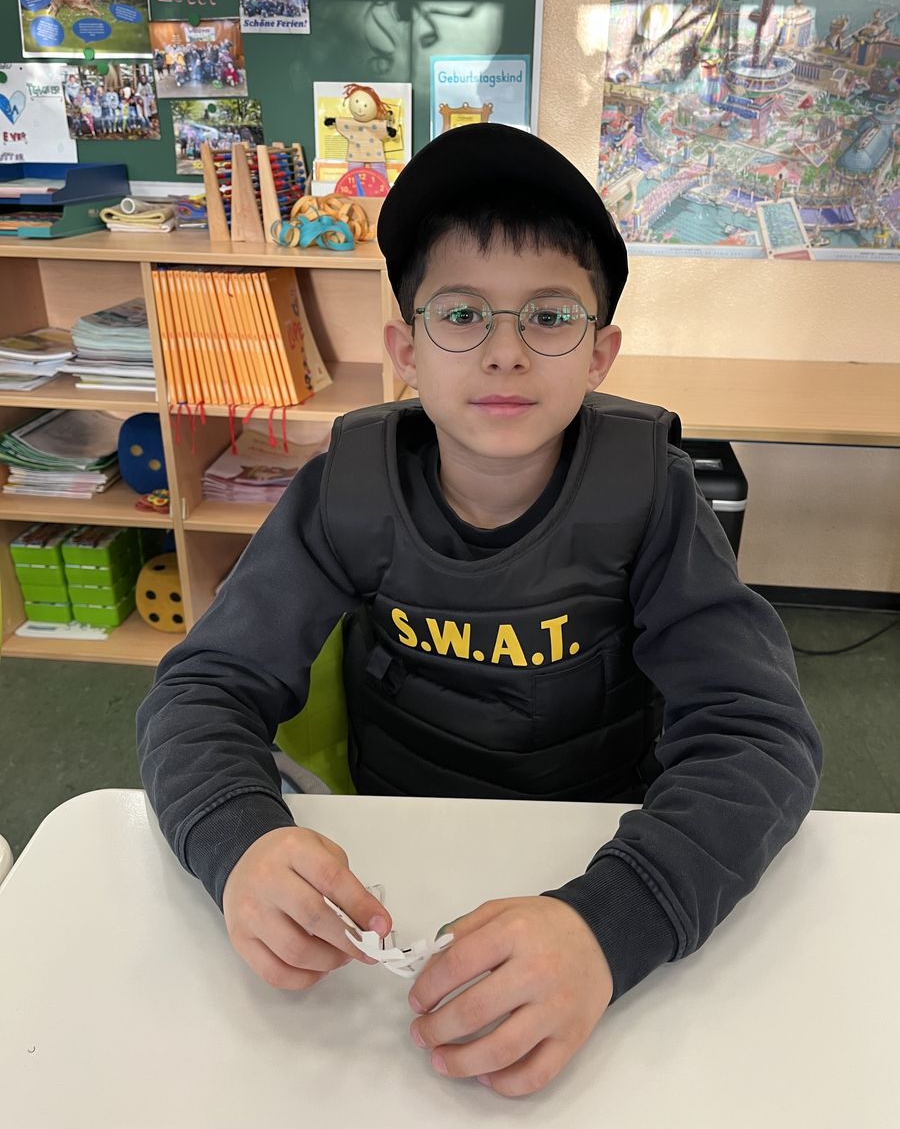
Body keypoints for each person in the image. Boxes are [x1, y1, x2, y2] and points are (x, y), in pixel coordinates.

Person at [136, 124, 822, 1098]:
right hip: (395, 859)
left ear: (601, 353)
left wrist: (613, 923)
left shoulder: (652, 496)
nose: (505, 353)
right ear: (406, 349)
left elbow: (759, 735)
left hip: (601, 839)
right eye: (461, 314)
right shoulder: (347, 492)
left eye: (550, 316)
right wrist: (239, 841)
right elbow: (201, 689)